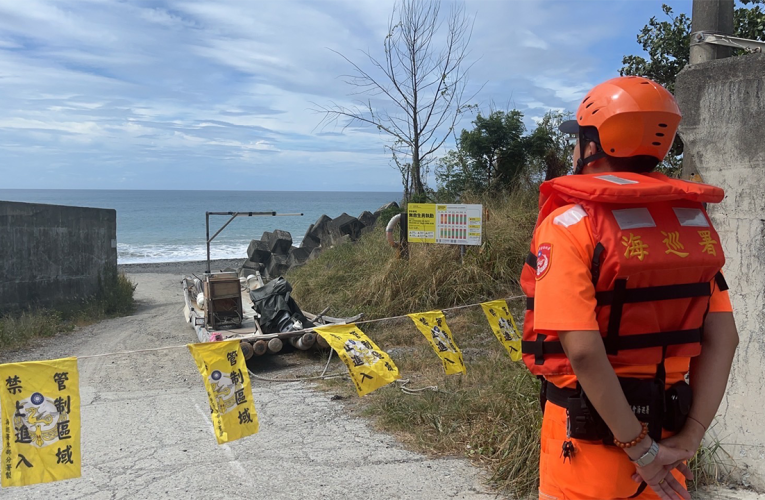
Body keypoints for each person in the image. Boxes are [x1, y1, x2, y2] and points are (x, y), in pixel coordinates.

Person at [520, 75, 739, 500]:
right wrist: (690, 438)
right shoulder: (690, 226)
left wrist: (639, 450)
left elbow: (581, 350)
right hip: (671, 440)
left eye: (579, 138)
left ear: (592, 144)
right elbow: (724, 339)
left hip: (591, 444)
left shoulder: (570, 224)